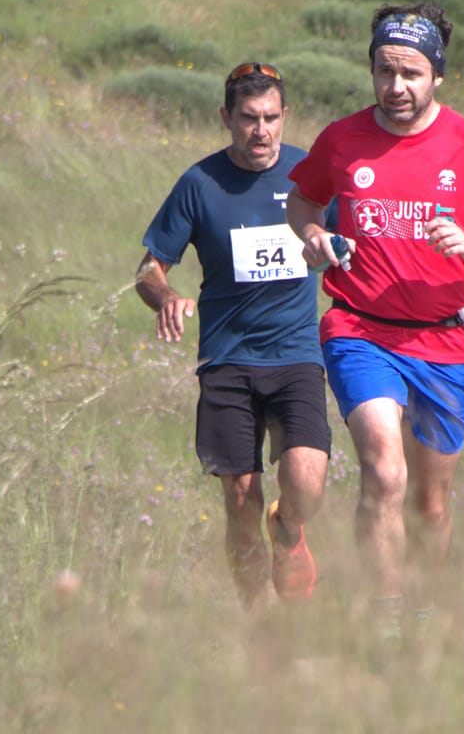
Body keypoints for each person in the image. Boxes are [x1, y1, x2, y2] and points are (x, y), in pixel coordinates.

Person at [285, 4, 464, 630]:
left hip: (443, 342)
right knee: (382, 469)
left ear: (437, 77)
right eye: (384, 71)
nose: (396, 87)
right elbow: (302, 200)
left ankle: (425, 613)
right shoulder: (343, 139)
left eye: (411, 74)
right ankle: (384, 620)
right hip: (358, 330)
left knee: (429, 505)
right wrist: (315, 236)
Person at [137, 62, 329, 612]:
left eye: (271, 118)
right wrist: (166, 297)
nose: (261, 131)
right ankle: (258, 617)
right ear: (227, 118)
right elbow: (149, 268)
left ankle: (288, 531)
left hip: (296, 354)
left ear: (285, 116)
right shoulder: (200, 184)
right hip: (227, 358)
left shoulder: (309, 175)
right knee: (240, 495)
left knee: (307, 483)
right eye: (248, 118)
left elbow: (351, 241)